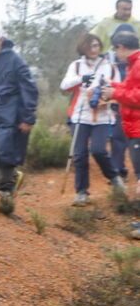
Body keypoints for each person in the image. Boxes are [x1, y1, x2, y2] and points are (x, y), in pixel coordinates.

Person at [60, 33, 125, 204]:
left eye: (97, 45)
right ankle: (81, 192)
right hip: (80, 115)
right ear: (83, 48)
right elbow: (64, 85)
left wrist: (104, 94)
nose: (94, 49)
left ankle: (114, 177)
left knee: (98, 150)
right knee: (80, 154)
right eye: (91, 46)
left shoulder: (110, 66)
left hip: (102, 116)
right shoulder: (76, 66)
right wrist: (81, 79)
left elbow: (118, 88)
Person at [0, 28, 39, 213]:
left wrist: (27, 117)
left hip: (10, 114)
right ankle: (12, 177)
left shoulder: (15, 60)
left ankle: (5, 193)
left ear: (1, 41)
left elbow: (29, 89)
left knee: (7, 151)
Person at [102, 31, 140, 207]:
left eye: (115, 50)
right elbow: (129, 87)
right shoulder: (133, 64)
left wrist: (115, 93)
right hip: (133, 127)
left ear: (121, 47)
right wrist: (111, 86)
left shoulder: (138, 64)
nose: (116, 54)